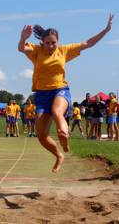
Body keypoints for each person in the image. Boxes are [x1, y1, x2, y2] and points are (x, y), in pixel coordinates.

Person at [18, 13, 114, 172]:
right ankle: (59, 155)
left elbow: (88, 43)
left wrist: (106, 29)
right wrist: (22, 38)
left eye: (53, 43)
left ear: (58, 42)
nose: (50, 46)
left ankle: (64, 134)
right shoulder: (36, 51)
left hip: (60, 90)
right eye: (47, 43)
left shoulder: (64, 51)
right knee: (41, 136)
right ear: (42, 42)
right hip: (41, 95)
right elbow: (21, 48)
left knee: (57, 111)